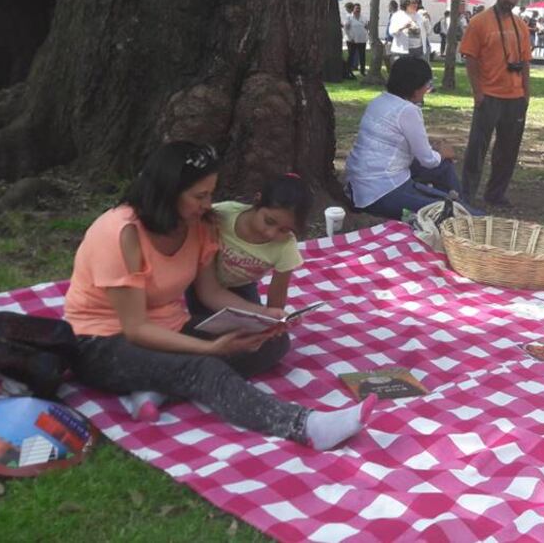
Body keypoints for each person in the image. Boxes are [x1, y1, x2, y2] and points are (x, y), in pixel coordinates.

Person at [63, 142, 374, 448]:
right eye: (200, 195)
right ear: (169, 190)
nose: (207, 204)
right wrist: (208, 349)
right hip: (101, 342)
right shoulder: (121, 232)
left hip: (167, 324)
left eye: (210, 194)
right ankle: (305, 426)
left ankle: (157, 386)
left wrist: (263, 317)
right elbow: (136, 328)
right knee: (203, 366)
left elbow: (210, 292)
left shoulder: (198, 225)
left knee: (271, 341)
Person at [345, 57, 468, 219]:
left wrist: (435, 152)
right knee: (456, 212)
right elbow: (428, 160)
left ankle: (459, 203)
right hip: (382, 191)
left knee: (444, 167)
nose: (427, 90)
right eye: (427, 85)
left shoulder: (379, 101)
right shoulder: (408, 111)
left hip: (359, 185)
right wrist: (442, 152)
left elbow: (409, 147)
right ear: (415, 88)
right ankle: (464, 212)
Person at [185, 173, 311, 320]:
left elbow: (277, 297)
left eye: (284, 230)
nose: (271, 234)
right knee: (207, 328)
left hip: (241, 287)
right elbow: (208, 290)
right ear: (258, 200)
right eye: (269, 221)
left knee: (271, 339)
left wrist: (274, 320)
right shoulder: (221, 216)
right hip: (202, 281)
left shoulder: (285, 246)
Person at [460, 0, 532, 208]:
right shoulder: (479, 22)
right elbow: (470, 57)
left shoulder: (521, 25)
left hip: (515, 97)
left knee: (508, 150)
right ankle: (467, 195)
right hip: (489, 96)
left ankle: (496, 193)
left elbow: (525, 63)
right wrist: (477, 92)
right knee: (477, 148)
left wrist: (526, 93)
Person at [388, 0, 424, 64]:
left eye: (416, 3)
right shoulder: (397, 15)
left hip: (417, 49)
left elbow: (425, 31)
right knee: (401, 72)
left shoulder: (418, 15)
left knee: (415, 72)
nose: (416, 5)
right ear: (405, 4)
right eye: (413, 3)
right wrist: (403, 27)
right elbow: (392, 32)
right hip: (402, 50)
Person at [344, 3, 369, 77]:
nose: (358, 10)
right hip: (352, 40)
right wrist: (350, 37)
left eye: (359, 9)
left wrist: (366, 35)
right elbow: (346, 29)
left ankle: (362, 71)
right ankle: (348, 71)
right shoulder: (349, 18)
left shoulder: (363, 18)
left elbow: (366, 27)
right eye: (356, 8)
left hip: (362, 40)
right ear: (353, 9)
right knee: (351, 56)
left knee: (362, 56)